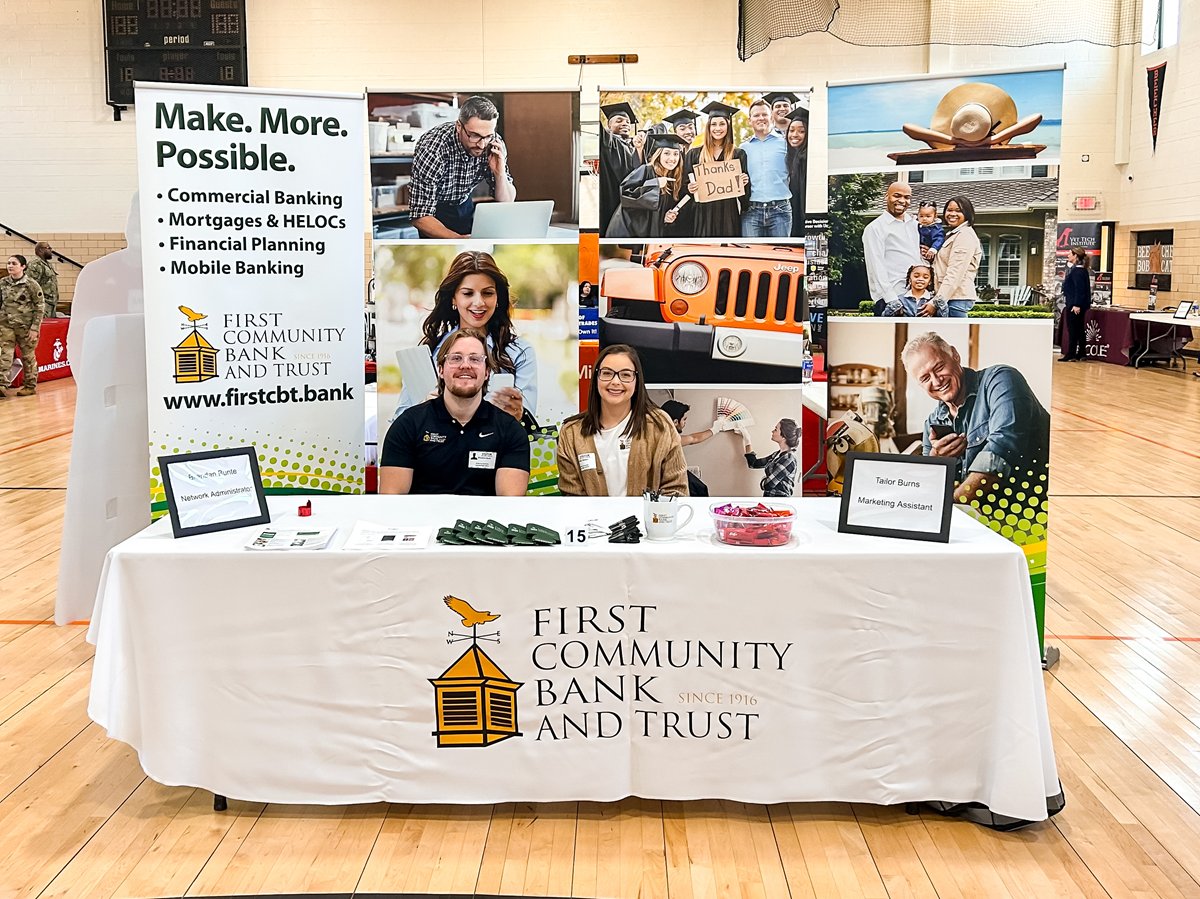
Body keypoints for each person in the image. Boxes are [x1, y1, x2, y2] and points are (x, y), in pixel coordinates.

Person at [902, 331, 1050, 505]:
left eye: (939, 367)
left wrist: (955, 506)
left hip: (1029, 512)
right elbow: (932, 487)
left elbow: (1001, 451)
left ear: (955, 355)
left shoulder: (1001, 379)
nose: (936, 381)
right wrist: (937, 460)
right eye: (925, 378)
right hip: (978, 518)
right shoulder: (931, 423)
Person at [379, 328, 530, 496]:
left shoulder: (511, 431)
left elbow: (509, 507)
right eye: (456, 358)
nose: (465, 365)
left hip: (484, 522)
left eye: (475, 359)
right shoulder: (407, 425)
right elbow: (391, 502)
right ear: (441, 370)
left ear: (487, 372)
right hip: (423, 521)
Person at [392, 251, 534, 427]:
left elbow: (529, 425)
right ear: (453, 298)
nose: (479, 302)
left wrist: (519, 414)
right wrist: (423, 410)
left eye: (487, 293)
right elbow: (399, 420)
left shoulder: (519, 352)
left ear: (498, 298)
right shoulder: (428, 352)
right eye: (468, 293)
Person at [557, 344, 688, 497]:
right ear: (596, 378)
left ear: (637, 380)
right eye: (607, 373)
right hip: (593, 521)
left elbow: (676, 489)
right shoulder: (571, 433)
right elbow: (572, 497)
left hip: (649, 520)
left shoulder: (659, 424)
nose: (615, 382)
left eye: (625, 375)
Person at [408, 96, 516, 239]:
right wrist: (458, 239)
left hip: (464, 203)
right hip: (434, 213)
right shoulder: (432, 147)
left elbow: (507, 202)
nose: (482, 145)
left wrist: (499, 174)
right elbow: (420, 216)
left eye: (488, 136)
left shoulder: (494, 144)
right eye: (474, 136)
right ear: (459, 126)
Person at [606, 134, 692, 238]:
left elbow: (654, 211)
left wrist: (665, 218)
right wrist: (655, 184)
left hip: (646, 233)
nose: (672, 158)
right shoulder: (646, 170)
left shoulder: (671, 178)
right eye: (667, 153)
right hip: (628, 231)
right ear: (658, 155)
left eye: (676, 154)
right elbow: (625, 194)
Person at [686, 101, 750, 238]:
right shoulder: (694, 154)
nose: (717, 128)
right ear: (708, 127)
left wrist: (744, 184)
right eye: (713, 124)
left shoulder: (738, 154)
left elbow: (744, 197)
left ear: (728, 126)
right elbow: (684, 187)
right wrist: (690, 188)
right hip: (703, 214)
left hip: (728, 214)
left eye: (722, 124)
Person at [862, 181, 923, 310]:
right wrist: (891, 300)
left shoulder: (914, 224)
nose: (902, 200)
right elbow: (876, 266)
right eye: (897, 196)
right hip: (891, 298)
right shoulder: (875, 228)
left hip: (915, 297)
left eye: (907, 197)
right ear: (886, 196)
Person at [739, 99, 792, 238]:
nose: (761, 118)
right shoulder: (742, 149)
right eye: (756, 115)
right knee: (753, 257)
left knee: (781, 257)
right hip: (751, 211)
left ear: (771, 117)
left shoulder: (786, 144)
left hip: (780, 210)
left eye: (764, 114)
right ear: (750, 120)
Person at [0, 255, 45, 398]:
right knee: (5, 354)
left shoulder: (31, 284)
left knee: (27, 356)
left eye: (14, 263)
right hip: (6, 324)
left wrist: (35, 328)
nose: (10, 266)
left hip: (26, 326)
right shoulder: (3, 283)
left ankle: (30, 385)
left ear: (23, 266)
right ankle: (1, 385)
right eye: (8, 263)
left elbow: (40, 307)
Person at [931, 195, 982, 318]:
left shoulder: (964, 235)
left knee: (955, 336)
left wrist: (935, 303)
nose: (952, 214)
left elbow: (955, 272)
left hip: (955, 298)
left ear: (967, 213)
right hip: (948, 297)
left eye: (958, 211)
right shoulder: (953, 234)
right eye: (949, 210)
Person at [599, 101, 640, 236]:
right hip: (612, 198)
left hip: (631, 203)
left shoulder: (635, 146)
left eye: (628, 121)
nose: (625, 123)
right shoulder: (609, 142)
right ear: (609, 126)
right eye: (619, 120)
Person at [739, 419, 800, 498]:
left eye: (775, 429)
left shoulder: (788, 459)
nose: (772, 431)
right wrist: (747, 438)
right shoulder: (776, 455)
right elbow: (753, 463)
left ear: (783, 436)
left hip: (779, 503)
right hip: (769, 500)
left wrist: (764, 480)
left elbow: (767, 485)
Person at [1060, 247, 1092, 361]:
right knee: (1078, 329)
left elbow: (1080, 289)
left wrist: (1077, 304)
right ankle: (1081, 353)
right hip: (1076, 304)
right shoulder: (1081, 270)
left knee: (1073, 329)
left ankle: (1071, 353)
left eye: (1070, 254)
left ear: (1075, 256)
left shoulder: (1078, 272)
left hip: (1075, 305)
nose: (1068, 256)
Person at [879, 264, 945, 317]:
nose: (920, 279)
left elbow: (944, 319)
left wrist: (938, 303)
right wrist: (895, 307)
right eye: (916, 276)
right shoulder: (899, 300)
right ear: (910, 279)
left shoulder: (933, 301)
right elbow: (885, 318)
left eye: (925, 277)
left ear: (930, 281)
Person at [784, 106, 808, 238]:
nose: (794, 135)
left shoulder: (805, 158)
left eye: (801, 131)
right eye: (791, 130)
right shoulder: (792, 156)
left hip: (802, 218)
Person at [26, 242, 59, 318]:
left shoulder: (48, 264)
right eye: (49, 248)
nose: (51, 250)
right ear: (41, 250)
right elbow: (31, 285)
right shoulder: (35, 264)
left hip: (51, 303)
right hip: (42, 303)